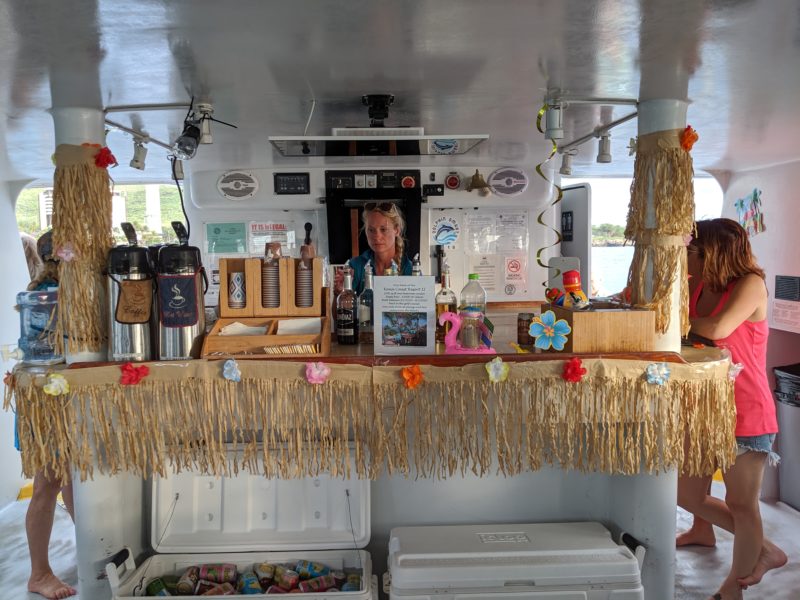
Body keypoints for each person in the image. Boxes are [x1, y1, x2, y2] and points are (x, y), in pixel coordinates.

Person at [676, 218, 787, 600]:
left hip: (746, 409)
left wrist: (668, 324)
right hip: (704, 408)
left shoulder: (751, 284)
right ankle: (720, 536)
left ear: (712, 253)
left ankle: (733, 588)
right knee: (687, 494)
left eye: (691, 250)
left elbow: (719, 328)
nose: (685, 256)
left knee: (742, 503)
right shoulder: (700, 285)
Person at [18, 230, 76, 600]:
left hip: (52, 396)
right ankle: (39, 573)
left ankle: (92, 545)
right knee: (48, 483)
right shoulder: (49, 298)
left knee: (71, 479)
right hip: (47, 401)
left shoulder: (39, 292)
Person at [334, 201, 412, 295]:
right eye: (371, 230)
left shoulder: (410, 269)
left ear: (397, 230)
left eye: (383, 229)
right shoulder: (356, 266)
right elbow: (342, 309)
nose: (377, 236)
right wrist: (340, 292)